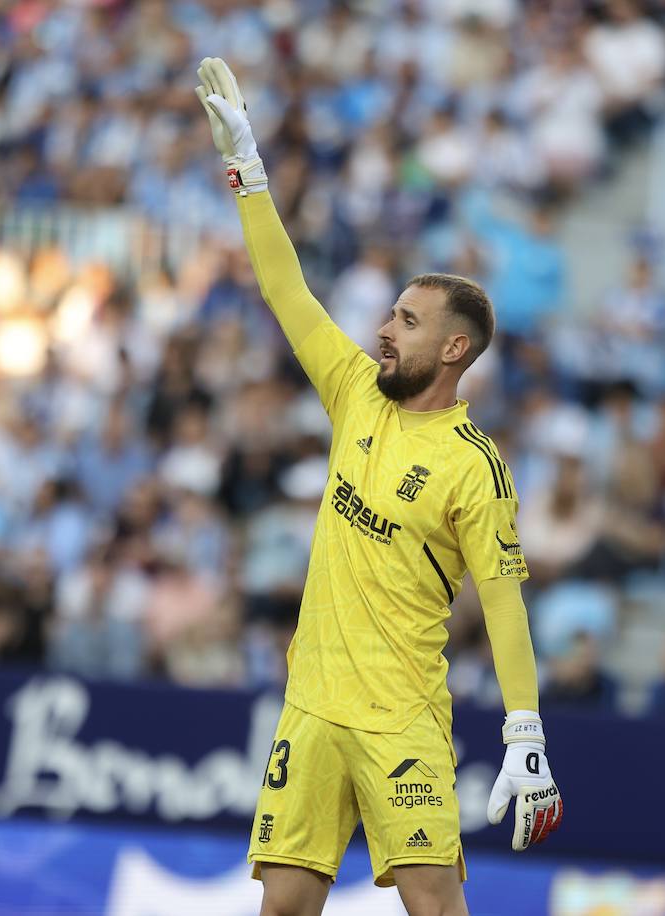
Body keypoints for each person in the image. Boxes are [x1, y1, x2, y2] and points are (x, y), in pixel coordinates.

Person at [195, 58, 561, 916]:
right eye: (390, 314)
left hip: (402, 717)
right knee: (284, 905)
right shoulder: (356, 390)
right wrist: (247, 165)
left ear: (454, 350)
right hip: (313, 703)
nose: (382, 331)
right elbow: (286, 289)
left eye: (405, 321)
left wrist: (524, 728)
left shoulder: (476, 466)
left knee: (435, 907)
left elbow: (503, 602)